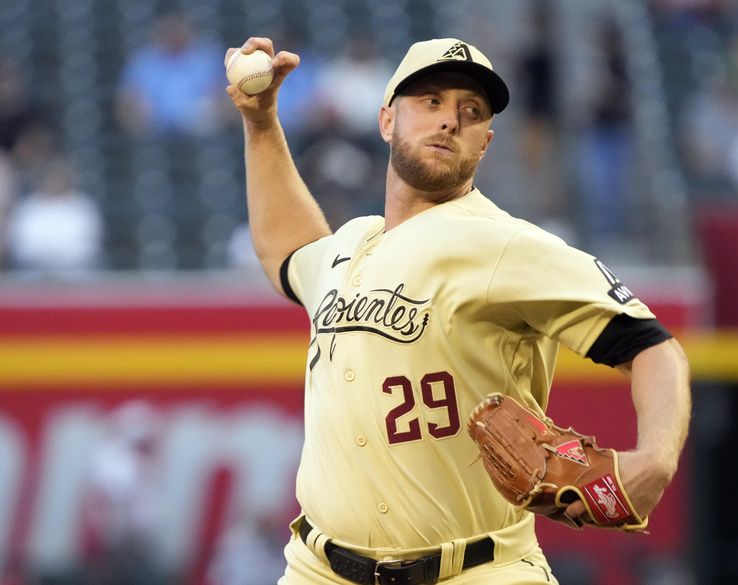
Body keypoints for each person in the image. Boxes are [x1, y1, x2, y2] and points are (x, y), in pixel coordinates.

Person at [225, 36, 690, 585]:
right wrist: (260, 123)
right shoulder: (350, 244)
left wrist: (655, 459)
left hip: (477, 570)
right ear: (386, 121)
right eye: (430, 101)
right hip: (318, 570)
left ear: (485, 144)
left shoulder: (505, 244)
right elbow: (288, 250)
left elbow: (651, 345)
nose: (450, 120)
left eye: (471, 112)